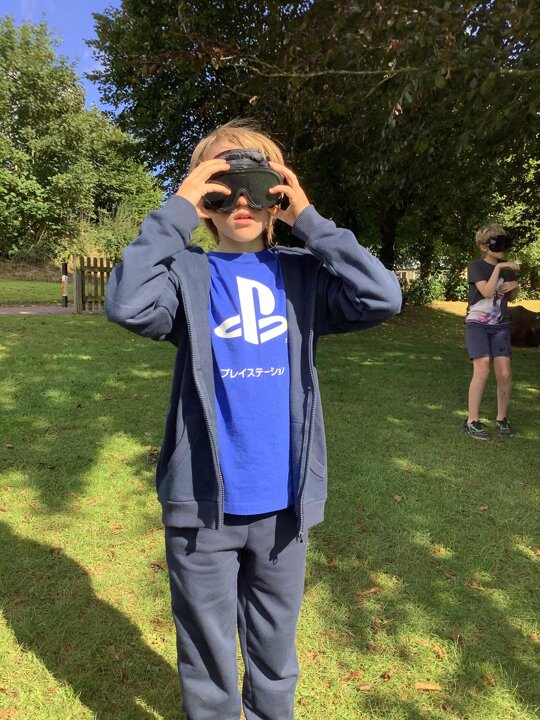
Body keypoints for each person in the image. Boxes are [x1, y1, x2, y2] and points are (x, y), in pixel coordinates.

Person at [105, 119, 402, 720]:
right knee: (206, 658)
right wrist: (178, 211)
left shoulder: (304, 276)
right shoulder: (184, 275)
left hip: (283, 505)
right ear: (202, 195)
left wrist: (309, 221)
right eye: (222, 182)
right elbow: (126, 303)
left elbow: (382, 296)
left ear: (279, 191)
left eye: (257, 181)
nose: (242, 198)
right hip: (201, 505)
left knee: (274, 655)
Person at [463, 223, 519, 440]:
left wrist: (514, 286)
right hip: (477, 324)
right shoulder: (476, 266)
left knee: (504, 373)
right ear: (484, 246)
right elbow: (487, 292)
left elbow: (511, 296)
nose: (502, 247)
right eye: (498, 242)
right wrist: (499, 268)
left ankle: (501, 418)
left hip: (500, 326)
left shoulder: (507, 270)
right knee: (482, 370)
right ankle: (472, 421)